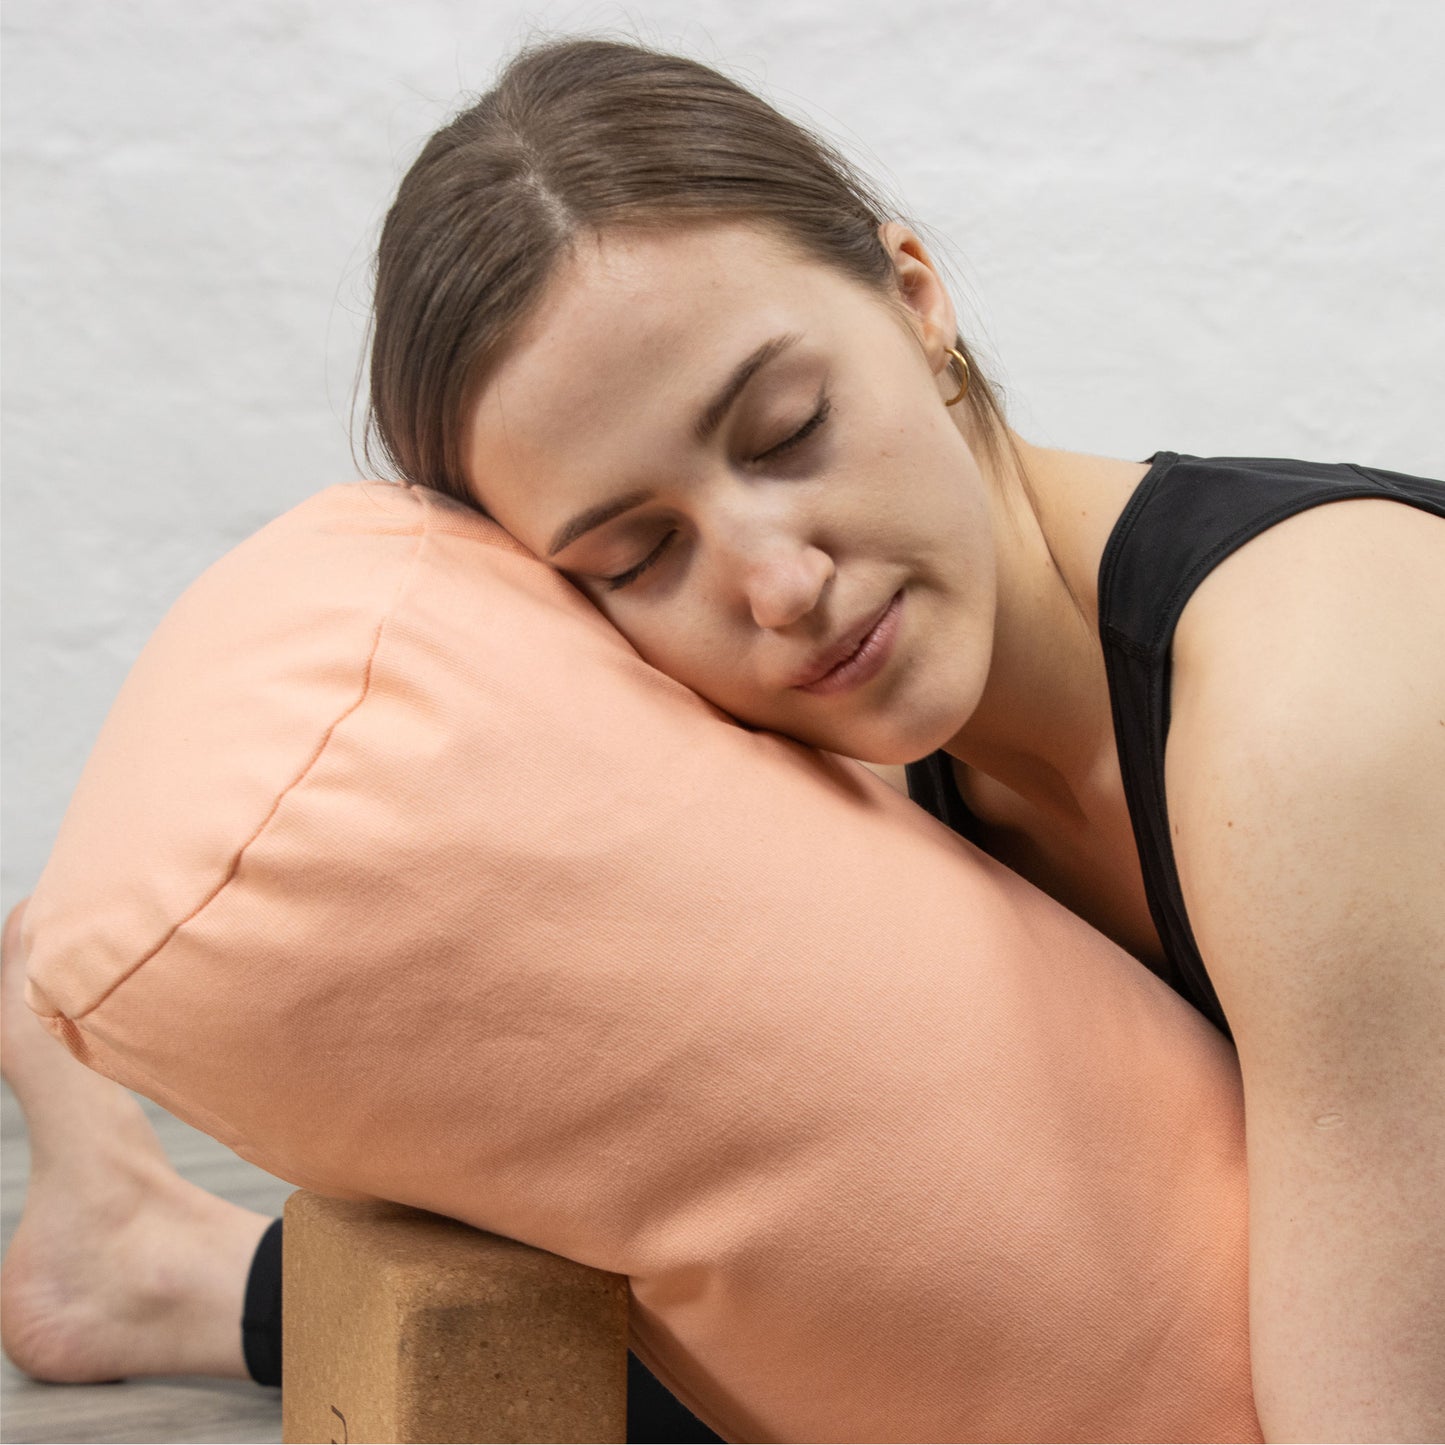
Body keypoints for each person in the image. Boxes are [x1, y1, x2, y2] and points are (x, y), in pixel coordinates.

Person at [4, 35, 1442, 1442]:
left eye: (786, 428)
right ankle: (151, 1263)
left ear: (915, 296)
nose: (777, 583)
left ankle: (158, 1266)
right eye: (637, 559)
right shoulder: (860, 786)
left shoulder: (1316, 696)